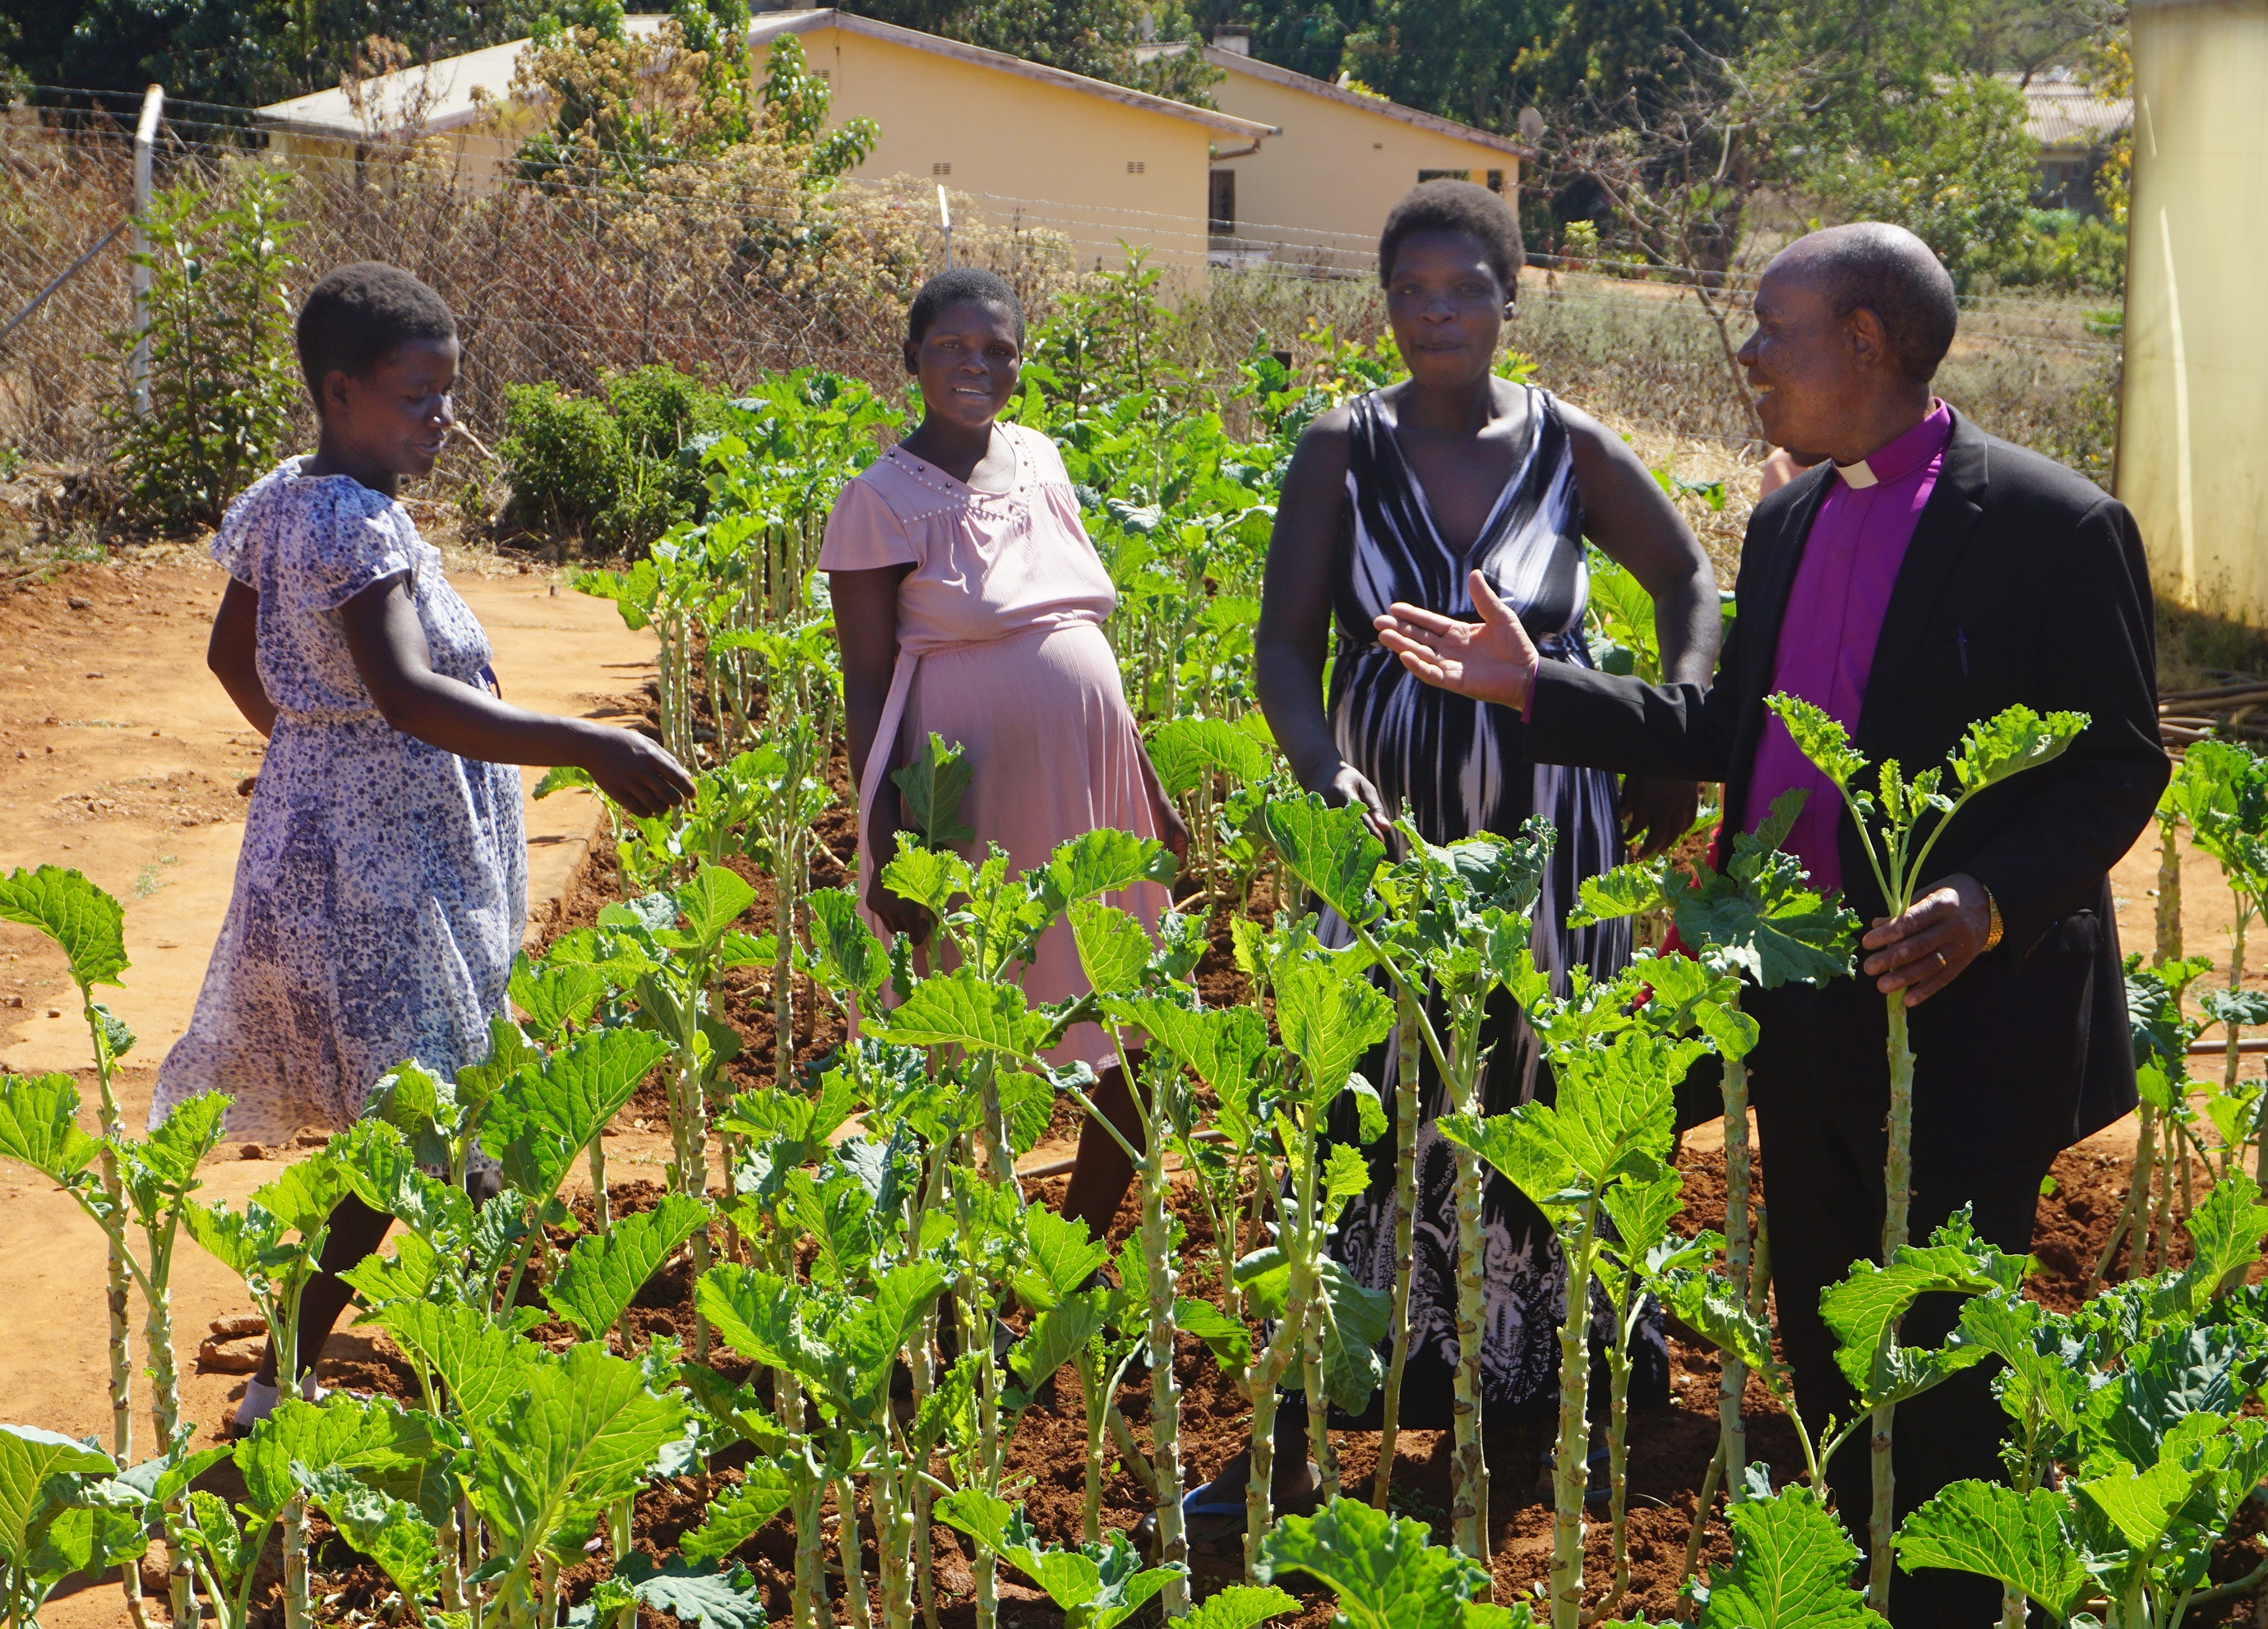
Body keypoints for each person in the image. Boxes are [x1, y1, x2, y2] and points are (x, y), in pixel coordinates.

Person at [1374, 222, 2164, 1626]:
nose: (1748, 354)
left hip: (1962, 1018)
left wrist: (1986, 899)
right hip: (1803, 1003)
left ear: (1866, 342)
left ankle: (1954, 1599)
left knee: (1940, 1360)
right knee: (1819, 1325)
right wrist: (1532, 688)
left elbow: (2119, 763)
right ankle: (1860, 1587)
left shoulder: (2057, 526)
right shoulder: (1792, 516)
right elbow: (1735, 734)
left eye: (1772, 327)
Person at [1189, 179, 1722, 1536]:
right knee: (1368, 1104)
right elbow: (1281, 649)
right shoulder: (1340, 451)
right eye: (1414, 292)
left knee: (1544, 1086)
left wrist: (1675, 726)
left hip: (1555, 843)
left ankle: (1549, 1419)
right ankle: (1304, 1435)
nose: (1438, 313)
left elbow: (1686, 579)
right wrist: (1329, 777)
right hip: (1384, 844)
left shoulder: (1569, 447)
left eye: (1464, 289)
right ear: (1387, 308)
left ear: (1510, 299)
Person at [151, 262, 694, 1431]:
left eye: (449, 393)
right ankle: (392, 1367)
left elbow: (234, 660)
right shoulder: (353, 524)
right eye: (415, 396)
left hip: (336, 849)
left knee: (422, 1113)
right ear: (340, 392)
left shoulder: (289, 499)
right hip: (388, 878)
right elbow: (404, 692)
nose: (442, 417)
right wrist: (583, 743)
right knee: (426, 1119)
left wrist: (318, 759)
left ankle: (356, 1357)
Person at [823, 267, 1188, 1237]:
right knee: (956, 1018)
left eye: (996, 349)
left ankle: (1076, 1239)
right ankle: (947, 1268)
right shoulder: (878, 500)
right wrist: (889, 835)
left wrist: (1148, 786)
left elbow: (1079, 632)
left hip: (1094, 778)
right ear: (912, 360)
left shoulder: (1041, 457)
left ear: (1021, 366)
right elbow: (866, 681)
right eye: (951, 346)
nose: (974, 364)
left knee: (1132, 1012)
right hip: (966, 794)